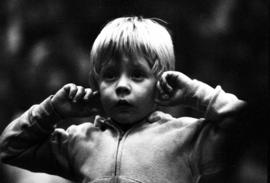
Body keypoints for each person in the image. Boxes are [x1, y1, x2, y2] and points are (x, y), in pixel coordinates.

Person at [0, 16, 246, 183]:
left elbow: (248, 127)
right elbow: (11, 147)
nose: (121, 86)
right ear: (96, 84)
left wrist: (195, 94)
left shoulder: (186, 138)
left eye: (138, 75)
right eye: (110, 75)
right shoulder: (79, 141)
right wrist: (53, 109)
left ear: (162, 82)